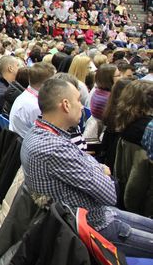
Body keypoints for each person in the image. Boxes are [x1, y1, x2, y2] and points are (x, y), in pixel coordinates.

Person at [21, 78, 153, 258]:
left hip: (96, 215)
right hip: (94, 227)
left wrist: (96, 168)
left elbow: (91, 164)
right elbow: (110, 194)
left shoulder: (42, 132)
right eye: (78, 100)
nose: (82, 106)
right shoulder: (53, 147)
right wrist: (99, 170)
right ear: (66, 105)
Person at [8, 62, 56, 138]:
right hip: (28, 144)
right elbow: (49, 136)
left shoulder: (25, 95)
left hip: (20, 139)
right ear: (48, 83)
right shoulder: (36, 106)